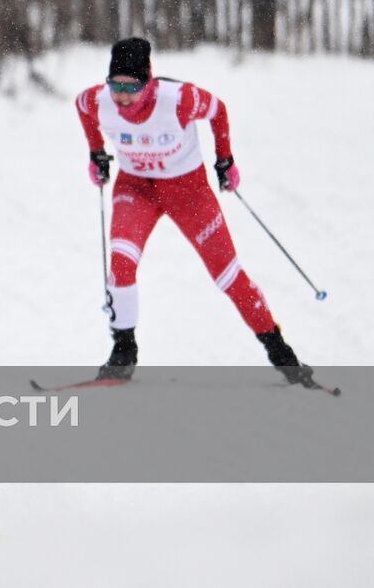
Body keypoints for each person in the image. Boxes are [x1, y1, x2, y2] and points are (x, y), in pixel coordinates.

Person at [77, 37, 318, 385]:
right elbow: (82, 108)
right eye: (115, 85)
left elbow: (218, 110)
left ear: (149, 80)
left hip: (187, 191)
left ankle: (281, 352)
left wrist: (225, 160)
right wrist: (96, 152)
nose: (122, 97)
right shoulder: (98, 101)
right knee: (121, 263)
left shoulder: (179, 100)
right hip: (136, 187)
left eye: (132, 87)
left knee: (227, 275)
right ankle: (123, 353)